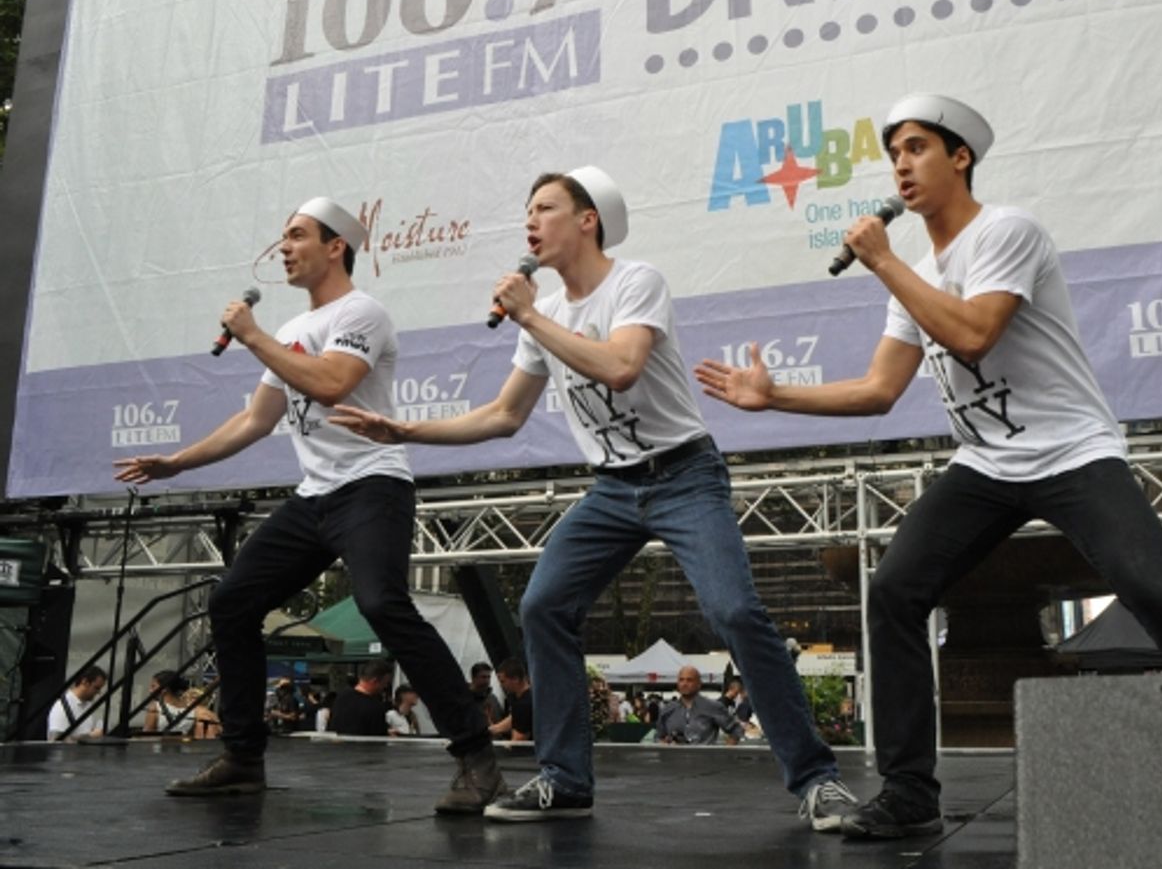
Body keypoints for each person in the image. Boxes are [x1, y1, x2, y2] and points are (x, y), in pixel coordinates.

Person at [695, 93, 1162, 839]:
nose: (901, 165)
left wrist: (885, 262)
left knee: (1158, 590)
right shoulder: (916, 270)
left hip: (1073, 449)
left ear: (960, 157)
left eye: (917, 148)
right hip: (988, 462)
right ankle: (908, 792)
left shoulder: (1006, 231)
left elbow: (975, 334)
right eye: (894, 154)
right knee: (893, 590)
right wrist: (775, 396)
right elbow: (879, 390)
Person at [331, 167, 854, 831]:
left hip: (684, 473)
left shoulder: (635, 281)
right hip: (613, 487)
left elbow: (620, 364)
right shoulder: (543, 318)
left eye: (545, 207)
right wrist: (404, 429)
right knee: (544, 603)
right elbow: (502, 415)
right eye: (528, 210)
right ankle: (564, 779)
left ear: (587, 220)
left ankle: (817, 779)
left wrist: (528, 313)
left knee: (734, 611)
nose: (530, 220)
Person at [112, 197, 504, 813]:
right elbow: (255, 419)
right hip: (314, 497)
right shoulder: (291, 332)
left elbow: (330, 382)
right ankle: (242, 757)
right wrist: (177, 463)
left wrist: (253, 336)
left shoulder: (362, 312)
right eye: (282, 238)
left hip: (372, 486)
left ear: (335, 246)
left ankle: (477, 757)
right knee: (233, 602)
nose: (284, 249)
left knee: (381, 602)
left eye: (297, 236)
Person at [655, 666, 744, 746]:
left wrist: (725, 753)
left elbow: (736, 730)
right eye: (681, 680)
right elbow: (658, 737)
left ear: (699, 684)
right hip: (675, 761)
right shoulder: (668, 709)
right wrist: (664, 744)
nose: (684, 684)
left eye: (689, 680)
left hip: (705, 761)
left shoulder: (713, 707)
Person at [328, 660, 393, 737]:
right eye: (385, 683)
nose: (385, 687)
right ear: (374, 681)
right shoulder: (375, 707)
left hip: (336, 747)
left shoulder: (341, 697)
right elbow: (379, 740)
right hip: (363, 748)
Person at [47, 665, 106, 741]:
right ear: (84, 682)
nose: (98, 692)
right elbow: (55, 741)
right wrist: (90, 737)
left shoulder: (87, 705)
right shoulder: (62, 708)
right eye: (96, 688)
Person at [488, 657, 533, 741]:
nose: (501, 685)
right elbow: (515, 718)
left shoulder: (525, 704)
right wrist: (491, 730)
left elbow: (518, 740)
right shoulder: (518, 697)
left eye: (503, 681)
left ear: (515, 679)